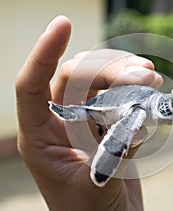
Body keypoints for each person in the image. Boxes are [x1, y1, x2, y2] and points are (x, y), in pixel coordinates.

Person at [15, 16, 163, 211]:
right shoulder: (137, 115)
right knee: (86, 114)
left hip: (114, 116)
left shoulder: (144, 111)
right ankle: (71, 113)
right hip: (106, 108)